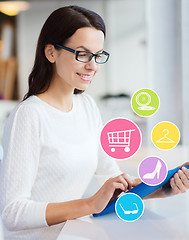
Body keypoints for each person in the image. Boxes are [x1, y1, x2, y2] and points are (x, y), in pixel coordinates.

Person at [0, 5, 189, 240]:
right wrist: (89, 204)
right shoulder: (28, 116)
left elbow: (112, 179)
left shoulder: (87, 107)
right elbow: (12, 213)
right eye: (83, 54)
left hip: (74, 233)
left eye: (98, 55)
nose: (93, 66)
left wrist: (162, 189)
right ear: (51, 53)